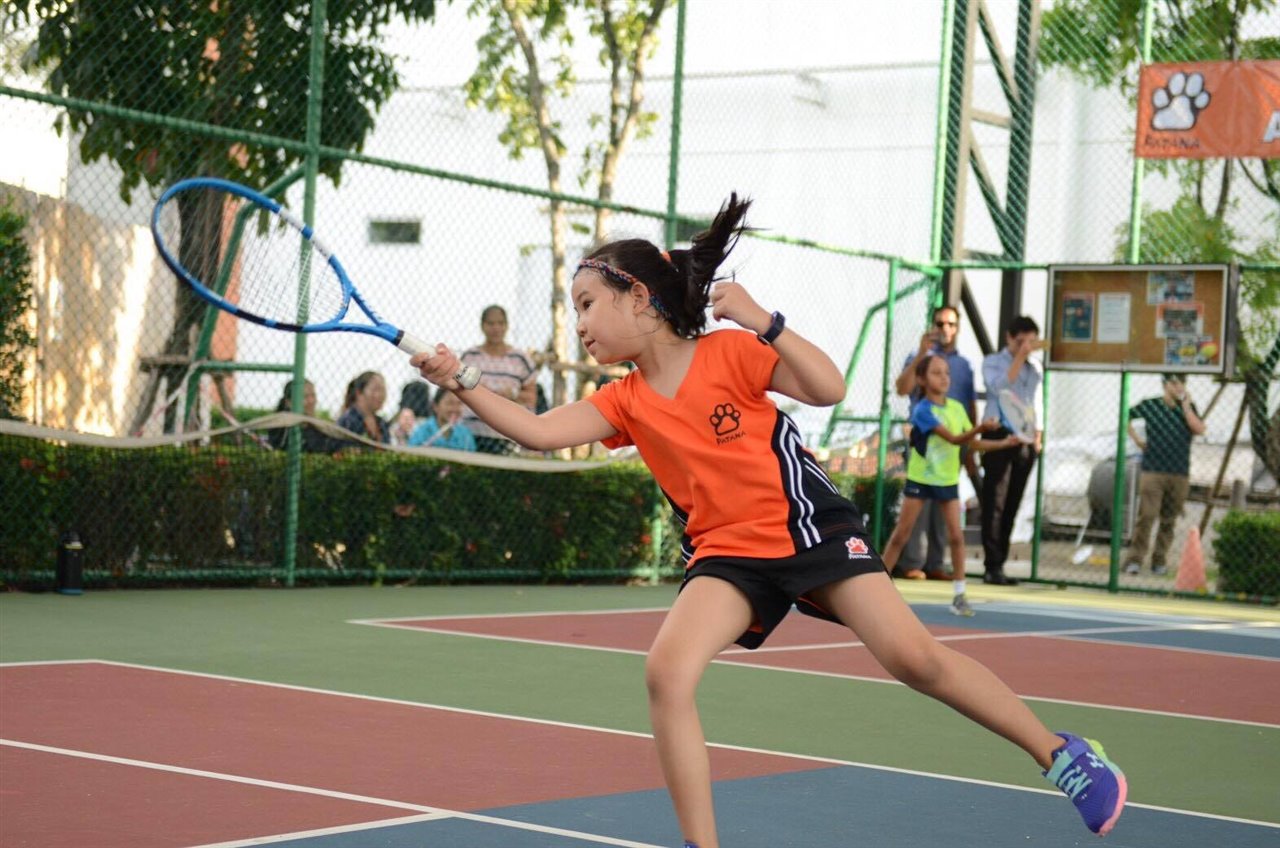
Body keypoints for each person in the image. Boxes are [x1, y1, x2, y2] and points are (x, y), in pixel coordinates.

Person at [410, 194, 1126, 846]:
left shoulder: (730, 350)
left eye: (588, 304)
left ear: (639, 297)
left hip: (807, 525)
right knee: (667, 671)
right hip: (727, 555)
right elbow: (539, 431)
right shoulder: (624, 400)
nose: (581, 324)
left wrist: (764, 320)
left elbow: (828, 386)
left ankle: (1062, 755)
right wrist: (460, 380)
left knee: (917, 660)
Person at [881, 354, 1019, 615]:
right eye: (936, 373)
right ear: (922, 379)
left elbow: (971, 443)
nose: (944, 378)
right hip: (921, 479)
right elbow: (955, 439)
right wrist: (981, 427)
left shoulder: (956, 408)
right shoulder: (922, 410)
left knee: (956, 537)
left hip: (947, 480)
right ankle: (878, 588)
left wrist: (1003, 443)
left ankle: (959, 595)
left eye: (946, 372)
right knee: (902, 534)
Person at [893, 304, 980, 580]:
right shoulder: (918, 357)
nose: (945, 330)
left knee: (946, 511)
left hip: (953, 445)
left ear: (958, 328)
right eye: (940, 324)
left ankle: (936, 564)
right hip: (925, 442)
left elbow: (969, 406)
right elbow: (902, 389)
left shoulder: (963, 365)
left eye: (951, 324)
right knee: (916, 510)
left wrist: (972, 445)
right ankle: (911, 563)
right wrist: (921, 353)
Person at [979, 315, 1045, 586]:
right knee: (995, 501)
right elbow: (999, 387)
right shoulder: (993, 361)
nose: (1025, 347)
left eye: (1030, 342)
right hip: (1000, 433)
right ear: (1009, 338)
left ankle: (1001, 563)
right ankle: (991, 564)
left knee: (1013, 503)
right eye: (1020, 342)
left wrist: (1038, 435)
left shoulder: (1036, 368)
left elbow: (1036, 401)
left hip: (1025, 439)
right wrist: (1019, 358)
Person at [1125, 373, 1205, 576]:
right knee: (1147, 516)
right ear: (1165, 385)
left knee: (1169, 519)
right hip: (1153, 469)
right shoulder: (1151, 405)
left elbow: (1199, 429)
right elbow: (1126, 416)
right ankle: (1134, 560)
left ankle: (1159, 560)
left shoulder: (1188, 408)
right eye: (1175, 383)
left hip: (1179, 472)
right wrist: (1137, 440)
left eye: (1182, 383)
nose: (1179, 387)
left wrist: (1186, 407)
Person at [458, 304, 539, 454]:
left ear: (507, 326)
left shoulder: (520, 359)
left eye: (500, 323)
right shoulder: (469, 357)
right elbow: (456, 392)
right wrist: (479, 393)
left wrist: (512, 395)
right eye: (491, 323)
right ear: (482, 326)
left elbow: (531, 397)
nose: (496, 328)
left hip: (510, 433)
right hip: (471, 432)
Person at [266, 379, 334, 453]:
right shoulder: (281, 429)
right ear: (289, 402)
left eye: (313, 395)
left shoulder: (319, 427)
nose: (311, 401)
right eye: (305, 396)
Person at [409, 387, 477, 451]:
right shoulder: (422, 431)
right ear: (435, 406)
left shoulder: (465, 435)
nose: (455, 409)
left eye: (459, 403)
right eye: (450, 403)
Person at [335, 371, 390, 447]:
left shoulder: (382, 424)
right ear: (359, 393)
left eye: (383, 390)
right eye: (376, 389)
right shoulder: (348, 421)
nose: (381, 395)